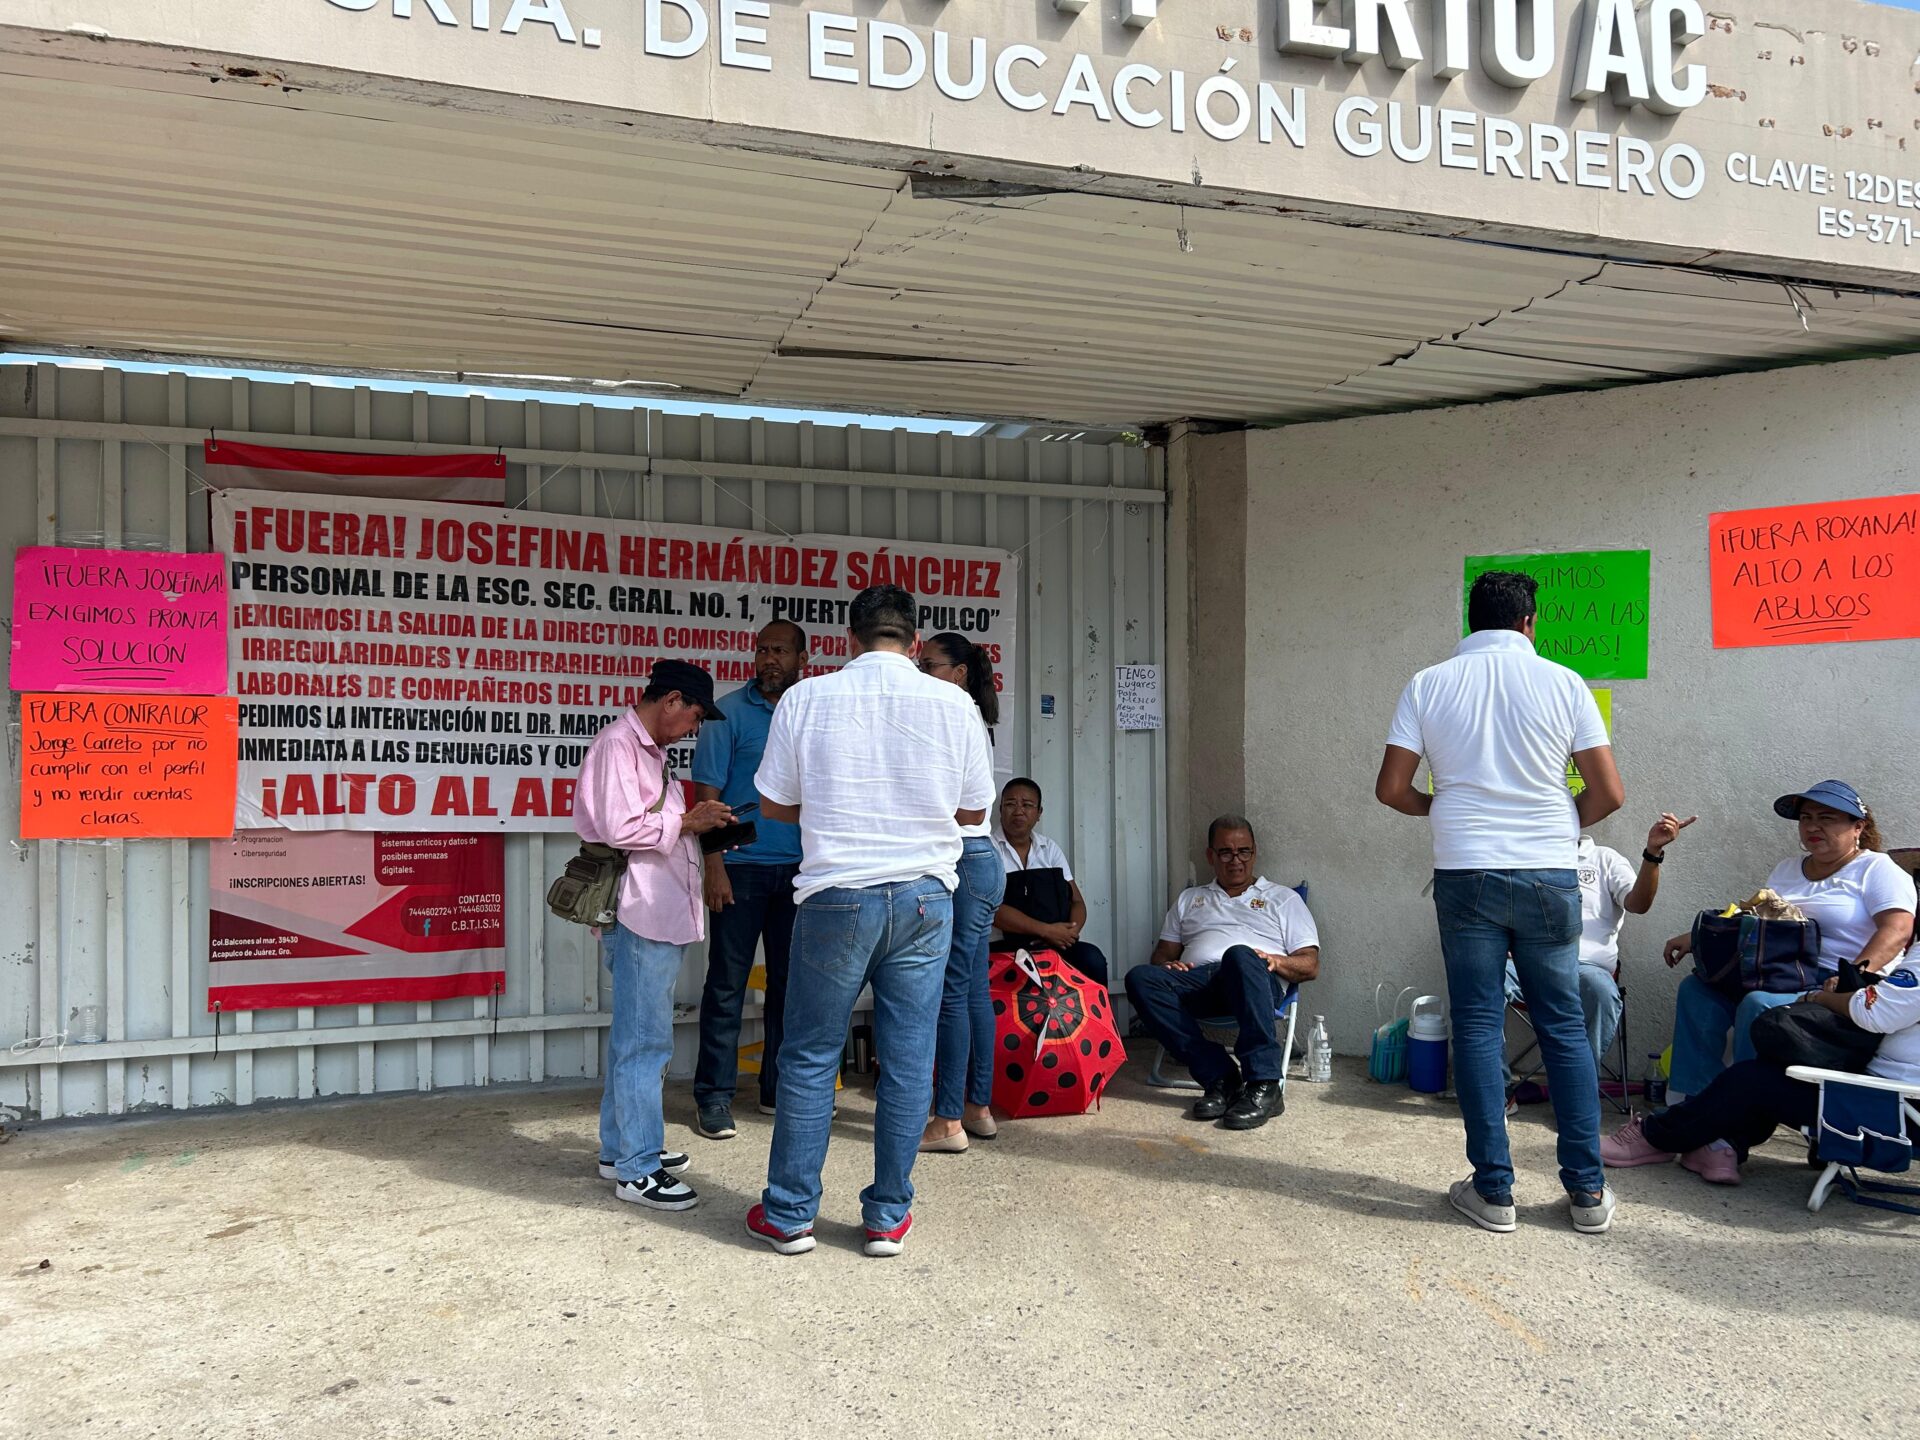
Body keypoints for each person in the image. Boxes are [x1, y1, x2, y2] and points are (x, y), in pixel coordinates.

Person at [1375, 569, 1625, 1236]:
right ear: (1529, 623)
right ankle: (1588, 1193)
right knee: (1564, 1025)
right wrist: (1559, 824)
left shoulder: (1428, 683)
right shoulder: (1565, 682)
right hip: (1549, 871)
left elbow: (1392, 788)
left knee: (1480, 1024)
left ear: (1471, 619)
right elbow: (1609, 794)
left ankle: (1494, 1193)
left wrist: (1446, 808)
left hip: (1467, 873)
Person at [747, 586, 994, 1258]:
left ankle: (791, 1214)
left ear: (848, 639)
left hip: (836, 896)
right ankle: (887, 1217)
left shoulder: (807, 698)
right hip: (923, 899)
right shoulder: (954, 704)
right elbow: (973, 816)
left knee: (808, 1054)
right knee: (909, 1058)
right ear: (914, 643)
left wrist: (833, 810)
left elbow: (774, 805)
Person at [573, 660, 735, 1212]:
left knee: (635, 1039)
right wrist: (690, 823)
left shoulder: (650, 752)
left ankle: (621, 1150)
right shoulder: (619, 746)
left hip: (656, 909)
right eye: (693, 715)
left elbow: (648, 824)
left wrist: (700, 820)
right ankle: (639, 1169)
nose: (693, 728)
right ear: (671, 700)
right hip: (639, 910)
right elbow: (621, 829)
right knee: (646, 1043)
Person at [1659, 781, 1916, 1102]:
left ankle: (1738, 1109)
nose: (1812, 826)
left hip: (1832, 984)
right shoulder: (1788, 869)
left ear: (1858, 827)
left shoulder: (1877, 869)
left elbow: (1898, 930)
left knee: (1758, 1004)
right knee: (1697, 991)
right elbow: (1759, 918)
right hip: (1779, 972)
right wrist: (1695, 939)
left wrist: (1851, 975)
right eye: (1806, 818)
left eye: (1826, 818)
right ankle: (1692, 1101)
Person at [1603, 946, 1920, 1185]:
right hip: (1898, 1106)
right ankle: (1721, 1146)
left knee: (1752, 1080)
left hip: (1892, 1112)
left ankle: (1655, 1138)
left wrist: (1817, 1000)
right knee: (1775, 1070)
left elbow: (1876, 1011)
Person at [689, 621, 810, 1141]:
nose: (769, 659)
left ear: (803, 657)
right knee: (726, 986)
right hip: (739, 870)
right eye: (762, 650)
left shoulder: (811, 710)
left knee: (791, 987)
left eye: (780, 651)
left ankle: (776, 1090)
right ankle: (713, 1097)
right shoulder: (727, 712)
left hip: (803, 873)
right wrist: (713, 864)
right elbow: (706, 794)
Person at [1124, 817, 1319, 1132]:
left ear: (1255, 853)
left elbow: (1310, 964)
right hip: (1200, 982)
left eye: (1244, 852)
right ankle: (1221, 1077)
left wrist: (1273, 960)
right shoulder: (1190, 899)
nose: (1236, 861)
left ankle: (1265, 1084)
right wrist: (1166, 966)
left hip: (1254, 977)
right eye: (1226, 853)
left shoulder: (1283, 898)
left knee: (1239, 955)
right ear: (1210, 856)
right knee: (1140, 978)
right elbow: (1162, 953)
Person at [1507, 813, 1695, 1076]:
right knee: (1481, 976)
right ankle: (1497, 1089)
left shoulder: (1605, 859)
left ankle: (1577, 1087)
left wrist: (1653, 853)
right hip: (1527, 965)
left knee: (1602, 993)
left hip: (1586, 969)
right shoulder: (1521, 857)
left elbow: (1638, 904)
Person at [917, 632, 1009, 1155]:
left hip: (964, 860)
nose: (920, 671)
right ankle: (977, 1107)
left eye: (929, 664)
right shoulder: (969, 713)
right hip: (979, 863)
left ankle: (947, 1119)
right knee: (972, 991)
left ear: (959, 672)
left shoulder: (954, 713)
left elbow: (958, 804)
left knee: (954, 994)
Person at [991, 777, 1110, 991]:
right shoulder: (988, 850)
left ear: (1039, 813)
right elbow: (992, 910)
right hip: (1004, 947)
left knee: (1092, 960)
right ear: (1000, 809)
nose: (1019, 811)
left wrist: (1068, 934)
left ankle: (1095, 1024)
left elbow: (1076, 901)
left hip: (1055, 942)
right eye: (1010, 804)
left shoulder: (1049, 848)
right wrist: (1045, 930)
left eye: (1027, 805)